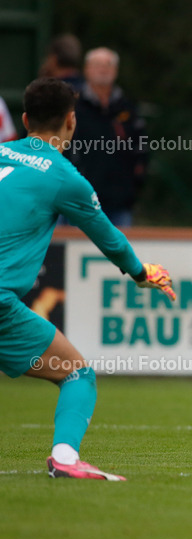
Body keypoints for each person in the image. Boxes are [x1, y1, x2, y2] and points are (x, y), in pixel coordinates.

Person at [0, 78, 176, 481]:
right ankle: (64, 457)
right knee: (76, 372)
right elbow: (108, 236)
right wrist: (140, 272)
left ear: (25, 119)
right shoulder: (65, 178)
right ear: (71, 122)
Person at [68, 48, 146, 227]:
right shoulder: (73, 107)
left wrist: (133, 187)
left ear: (116, 71)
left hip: (119, 204)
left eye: (108, 65)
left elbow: (141, 150)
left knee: (117, 250)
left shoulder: (128, 109)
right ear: (86, 69)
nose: (103, 70)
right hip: (80, 202)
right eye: (97, 65)